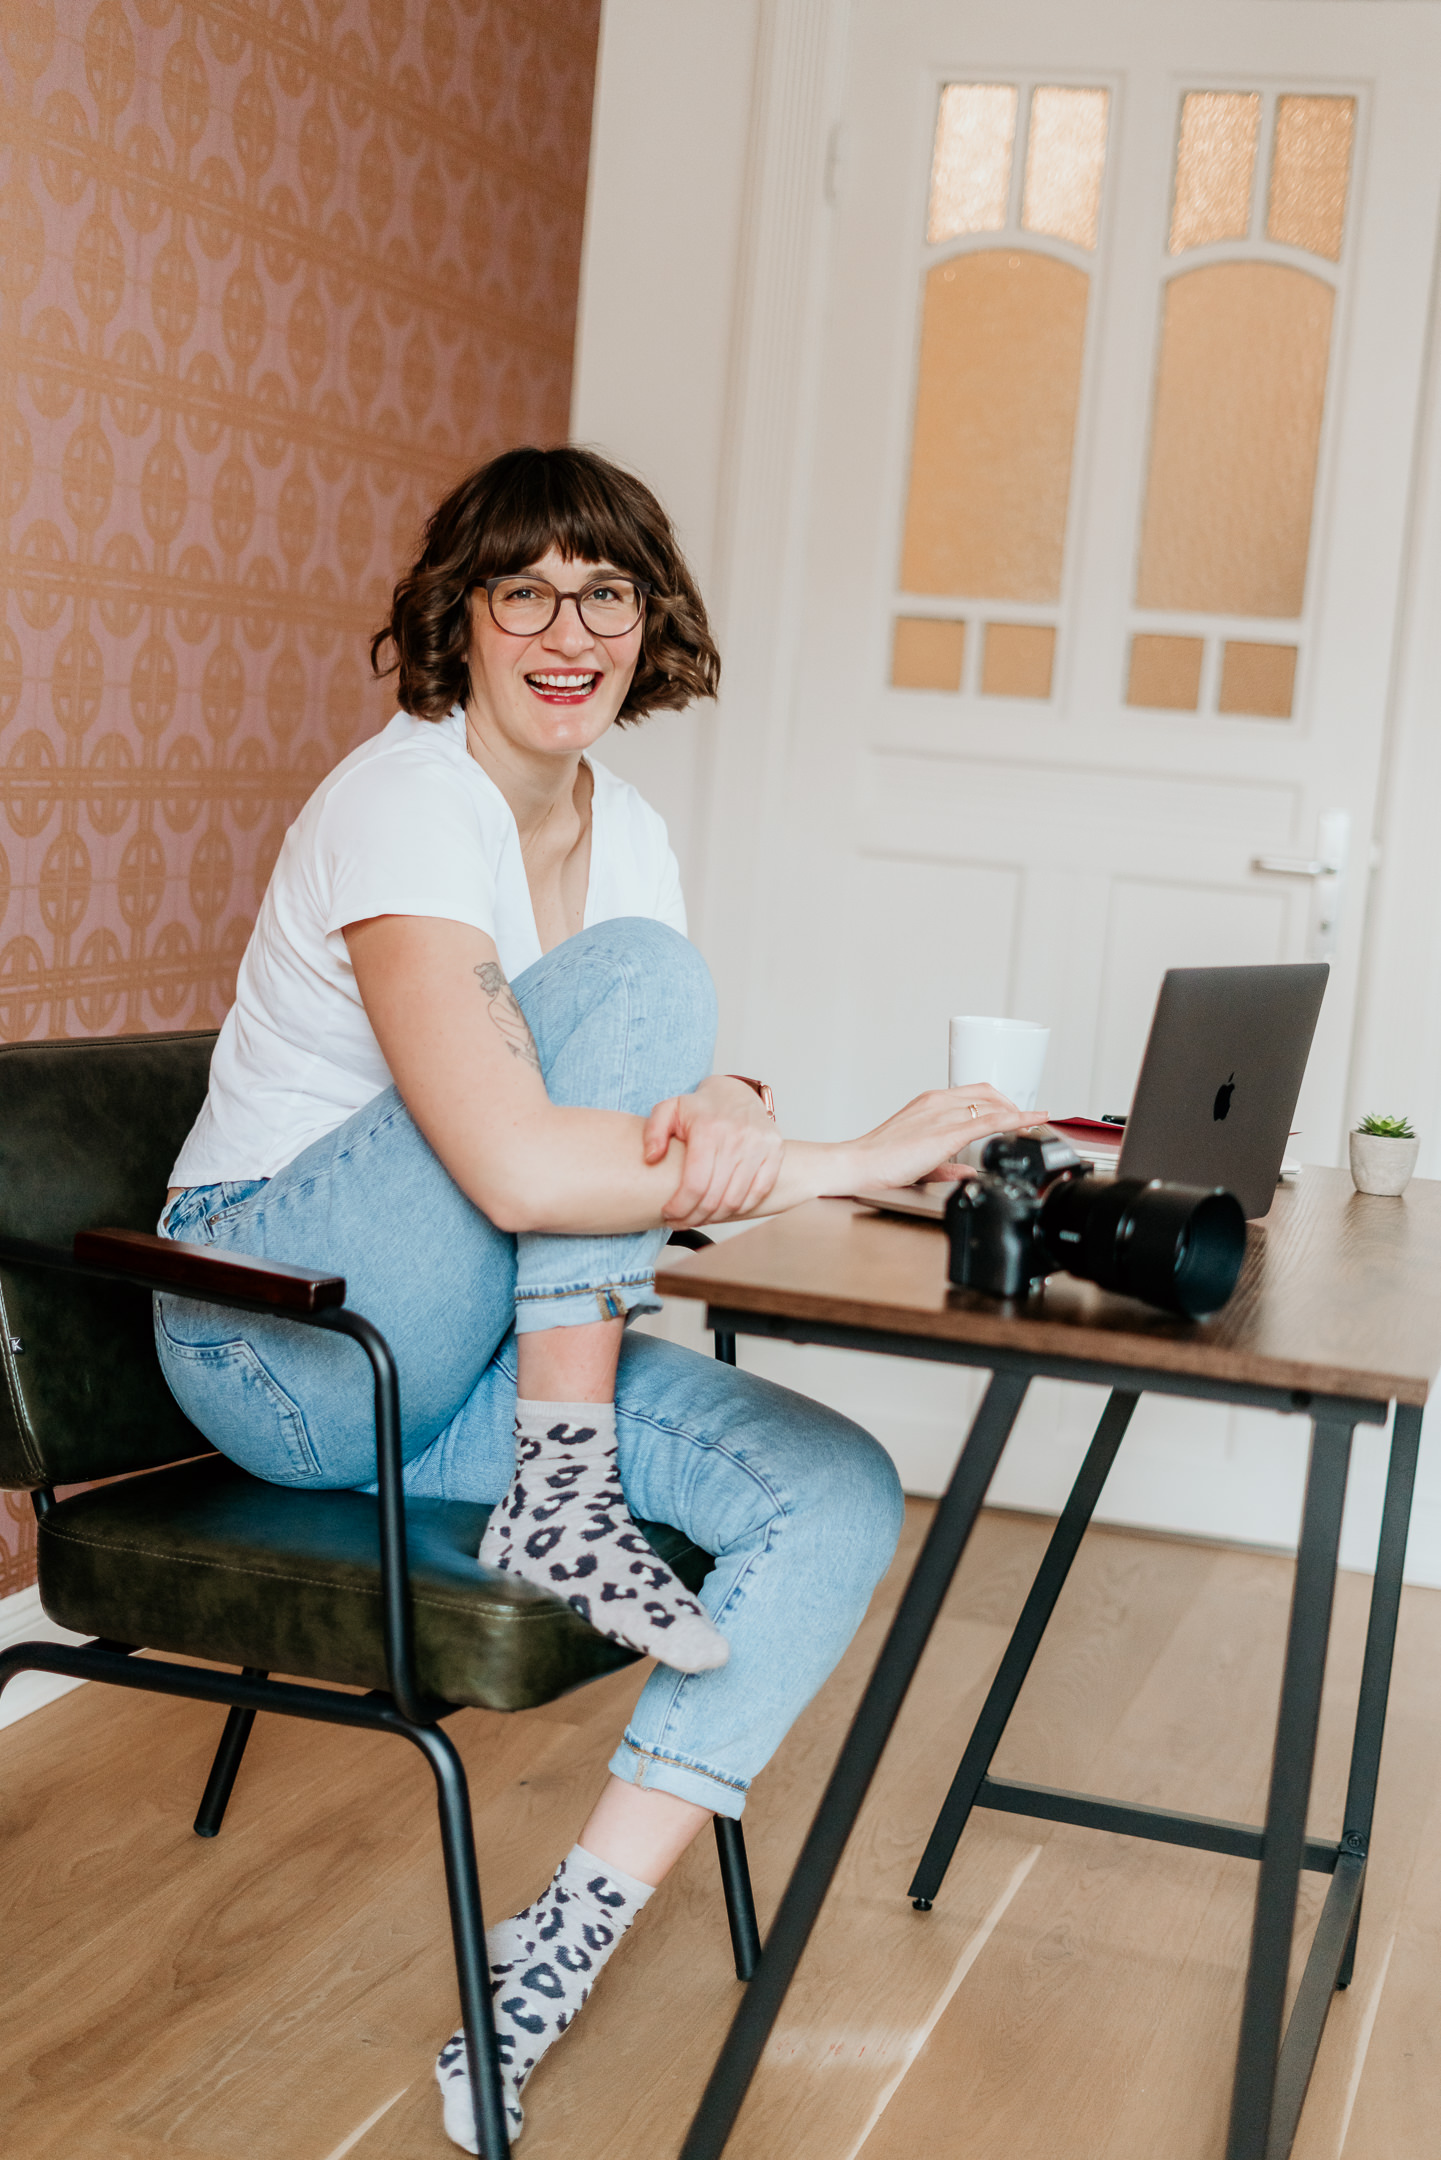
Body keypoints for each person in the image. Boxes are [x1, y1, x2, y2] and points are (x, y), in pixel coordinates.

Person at [152, 445, 1033, 2150]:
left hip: (469, 1344)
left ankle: (548, 1953)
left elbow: (618, 1148)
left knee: (838, 1491)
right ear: (458, 619)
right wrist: (839, 1157)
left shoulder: (620, 828)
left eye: (607, 593)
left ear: (651, 624)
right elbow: (530, 1175)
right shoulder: (404, 802)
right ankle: (565, 1491)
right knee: (646, 984)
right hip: (282, 1339)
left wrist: (728, 1121)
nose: (570, 629)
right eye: (525, 592)